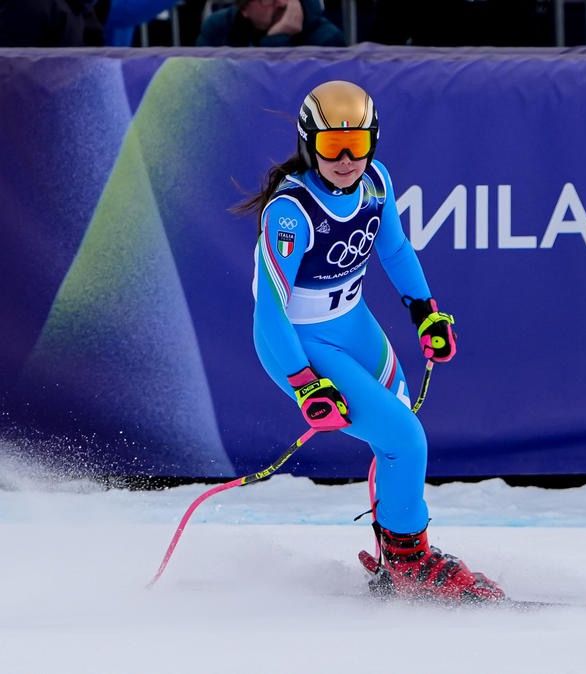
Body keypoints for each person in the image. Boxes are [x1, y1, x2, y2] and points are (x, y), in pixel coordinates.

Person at [240, 80, 503, 602]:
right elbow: (270, 310)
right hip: (298, 339)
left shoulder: (376, 183)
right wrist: (304, 382)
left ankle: (394, 556)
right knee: (405, 440)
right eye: (332, 146)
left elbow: (396, 251)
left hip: (352, 323)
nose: (345, 160)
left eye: (356, 145)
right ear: (308, 144)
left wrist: (426, 314)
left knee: (398, 432)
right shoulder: (291, 212)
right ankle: (411, 564)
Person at [196, 0, 345, 47]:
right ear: (244, 9)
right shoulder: (219, 28)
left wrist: (276, 40)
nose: (281, 3)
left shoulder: (326, 39)